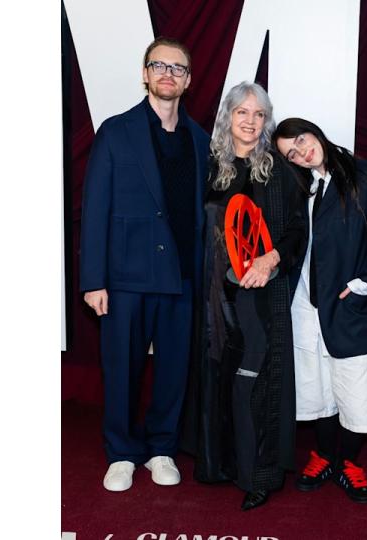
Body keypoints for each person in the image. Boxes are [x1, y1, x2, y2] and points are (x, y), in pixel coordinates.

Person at [79, 37, 210, 492]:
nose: (168, 74)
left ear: (188, 80)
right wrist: (93, 280)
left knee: (174, 371)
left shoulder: (199, 139)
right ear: (145, 74)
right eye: (159, 65)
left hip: (182, 277)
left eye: (177, 68)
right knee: (122, 369)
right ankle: (121, 453)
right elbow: (94, 208)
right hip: (125, 277)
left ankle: (161, 450)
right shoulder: (116, 132)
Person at [180, 82, 306, 510]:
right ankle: (219, 463)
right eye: (242, 113)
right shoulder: (208, 165)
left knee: (255, 383)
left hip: (259, 295)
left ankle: (259, 474)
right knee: (218, 376)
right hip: (215, 296)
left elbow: (296, 232)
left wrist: (269, 260)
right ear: (227, 117)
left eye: (259, 114)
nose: (251, 121)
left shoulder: (278, 170)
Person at [272, 118, 367, 504]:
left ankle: (347, 459)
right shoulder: (301, 188)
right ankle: (322, 455)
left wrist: (365, 282)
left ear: (316, 132)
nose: (301, 151)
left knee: (358, 390)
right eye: (291, 154)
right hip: (304, 307)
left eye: (301, 140)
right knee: (317, 391)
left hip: (351, 306)